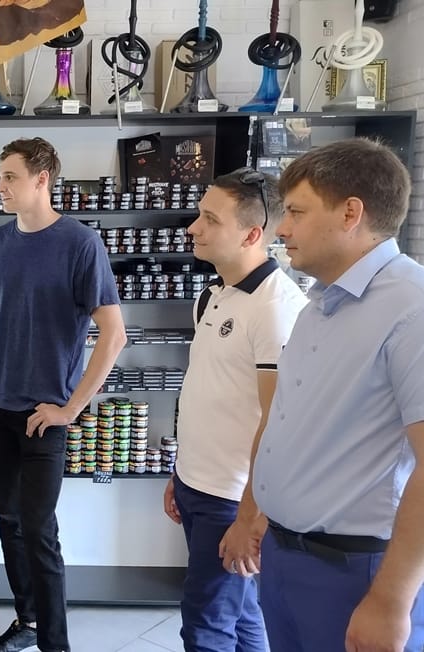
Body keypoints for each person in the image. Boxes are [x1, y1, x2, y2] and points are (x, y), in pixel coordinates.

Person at [248, 138, 424, 651]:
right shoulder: (320, 305)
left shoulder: (411, 308)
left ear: (351, 213)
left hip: (358, 571)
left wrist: (390, 599)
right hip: (286, 555)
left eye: (296, 212)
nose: (281, 229)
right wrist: (265, 513)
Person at [0, 138, 126, 652]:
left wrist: (71, 408)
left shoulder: (81, 244)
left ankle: (55, 643)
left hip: (43, 415)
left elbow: (114, 334)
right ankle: (26, 622)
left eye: (9, 177)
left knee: (39, 530)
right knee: (9, 522)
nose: (0, 187)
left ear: (42, 179)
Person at [163, 168, 307, 651]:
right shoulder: (212, 294)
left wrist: (250, 517)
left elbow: (279, 422)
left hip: (231, 500)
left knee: (206, 624)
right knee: (242, 615)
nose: (193, 228)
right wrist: (180, 472)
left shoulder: (276, 308)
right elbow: (209, 391)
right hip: (198, 485)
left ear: (251, 234)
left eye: (210, 219)